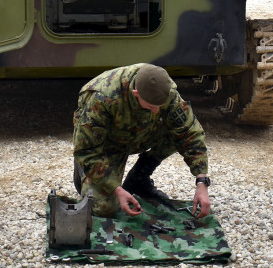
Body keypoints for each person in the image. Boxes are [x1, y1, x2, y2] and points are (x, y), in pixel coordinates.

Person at [72, 64, 211, 219]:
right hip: (107, 144)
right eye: (151, 106)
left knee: (177, 131)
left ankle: (138, 178)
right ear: (136, 93)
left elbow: (190, 133)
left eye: (159, 106)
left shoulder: (165, 90)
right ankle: (84, 171)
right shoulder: (103, 97)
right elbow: (87, 151)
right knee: (103, 208)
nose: (156, 111)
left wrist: (202, 182)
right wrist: (116, 189)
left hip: (140, 133)